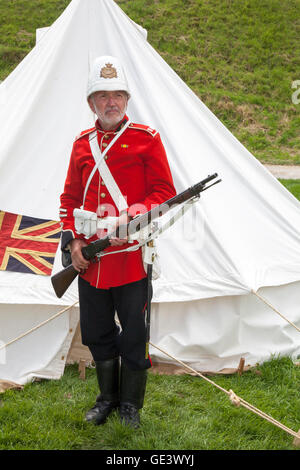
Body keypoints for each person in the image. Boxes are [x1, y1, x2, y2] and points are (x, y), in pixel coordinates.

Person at [59, 56, 176, 428]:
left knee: (134, 334)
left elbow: (164, 192)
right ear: (91, 103)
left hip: (129, 258)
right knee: (97, 334)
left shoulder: (146, 140)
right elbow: (69, 200)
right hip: (90, 264)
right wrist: (74, 244)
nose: (111, 102)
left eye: (117, 95)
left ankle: (130, 406)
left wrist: (134, 213)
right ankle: (106, 399)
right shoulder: (82, 145)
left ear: (126, 100)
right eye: (102, 95)